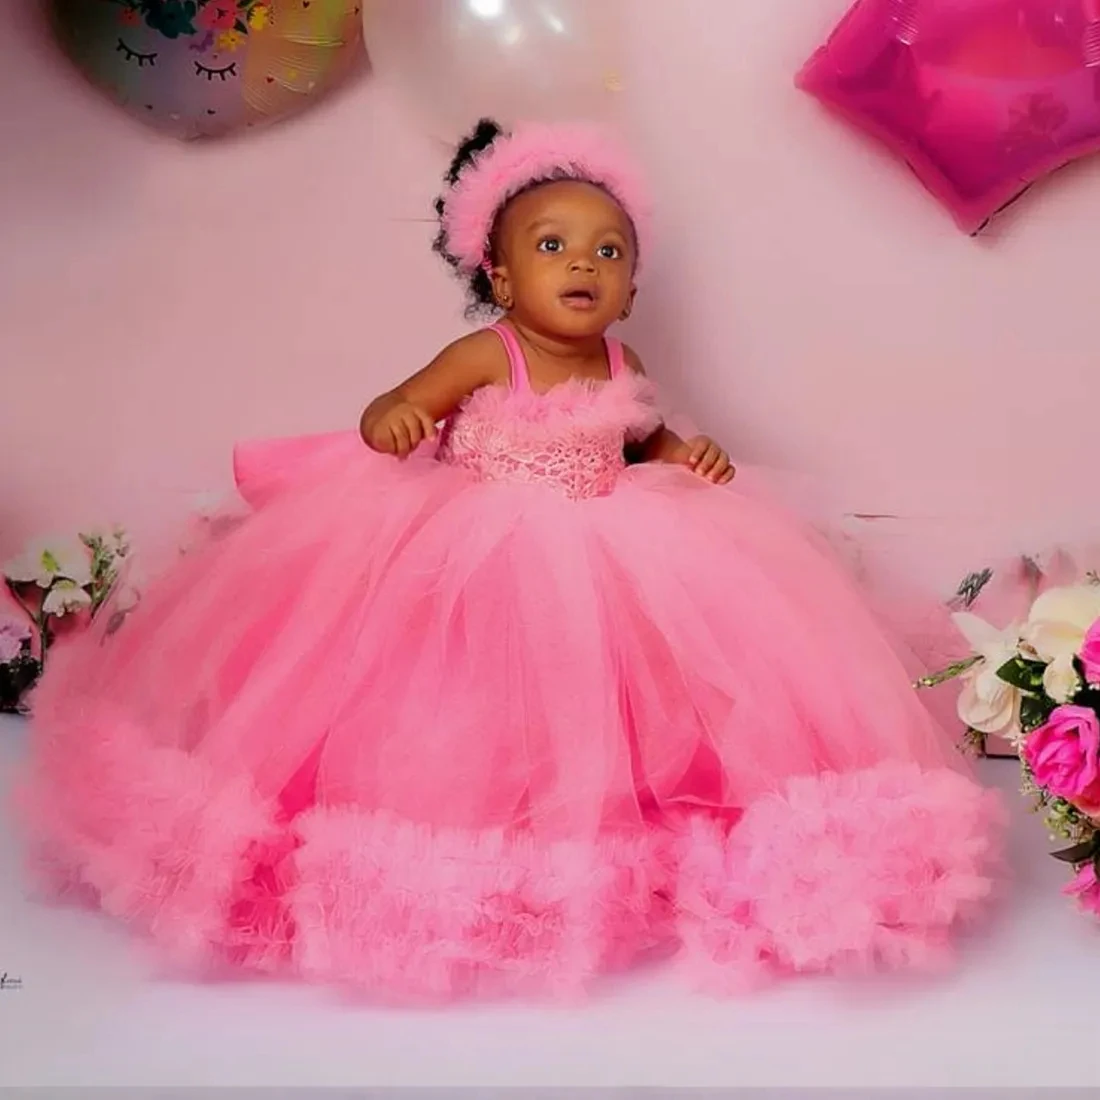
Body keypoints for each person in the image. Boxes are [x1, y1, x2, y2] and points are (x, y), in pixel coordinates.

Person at [16, 119, 1003, 1003]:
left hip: (613, 543)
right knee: (464, 699)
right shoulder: (490, 355)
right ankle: (480, 837)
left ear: (629, 281)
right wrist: (397, 417)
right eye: (552, 245)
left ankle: (612, 828)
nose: (583, 263)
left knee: (619, 696)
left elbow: (640, 441)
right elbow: (390, 406)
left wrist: (680, 455)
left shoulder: (623, 367)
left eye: (606, 250)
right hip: (483, 548)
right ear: (497, 275)